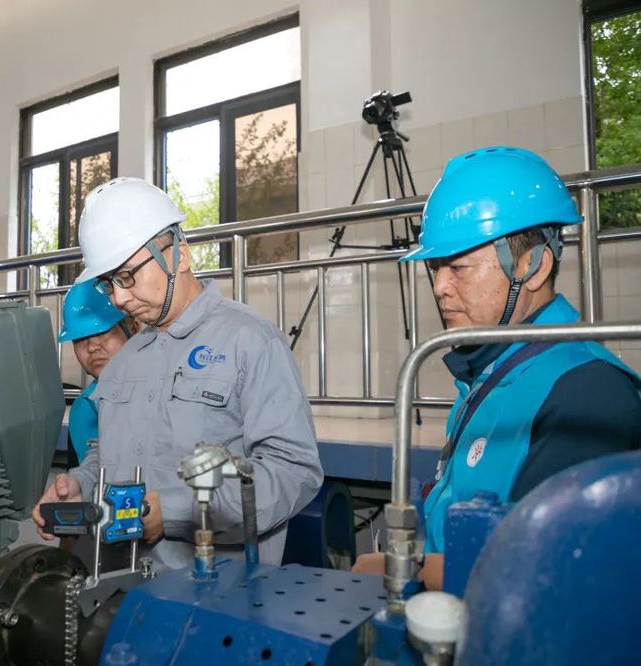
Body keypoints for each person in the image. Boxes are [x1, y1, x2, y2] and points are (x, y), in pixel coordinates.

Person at [353, 146, 641, 589]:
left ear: (534, 267)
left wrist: (404, 568)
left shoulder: (588, 394)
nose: (439, 287)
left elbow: (544, 573)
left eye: (459, 267)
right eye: (435, 267)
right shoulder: (490, 372)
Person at [33, 177, 322, 571]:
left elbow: (293, 471)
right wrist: (81, 485)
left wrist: (175, 511)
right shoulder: (126, 361)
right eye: (109, 284)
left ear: (179, 255)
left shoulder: (250, 342)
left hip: (219, 591)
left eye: (127, 276)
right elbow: (111, 453)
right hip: (123, 583)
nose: (119, 298)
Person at [57, 281, 135, 468]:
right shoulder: (83, 409)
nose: (92, 347)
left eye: (103, 332)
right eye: (80, 339)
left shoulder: (164, 392)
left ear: (132, 328)